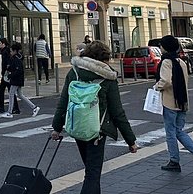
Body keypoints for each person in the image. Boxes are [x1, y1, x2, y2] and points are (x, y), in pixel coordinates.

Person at [52, 40, 137, 194]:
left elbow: (63, 102)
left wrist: (56, 128)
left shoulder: (74, 72)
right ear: (104, 59)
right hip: (97, 130)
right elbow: (117, 112)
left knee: (91, 169)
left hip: (77, 126)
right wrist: (130, 140)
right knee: (92, 173)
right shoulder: (108, 77)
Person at [155, 34, 193, 173]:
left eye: (161, 45)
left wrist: (156, 87)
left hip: (170, 102)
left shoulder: (166, 62)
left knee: (171, 133)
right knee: (179, 131)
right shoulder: (181, 61)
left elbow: (166, 81)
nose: (160, 48)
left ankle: (174, 161)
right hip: (182, 101)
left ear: (165, 47)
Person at [2, 42, 39, 119]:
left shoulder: (17, 59)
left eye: (11, 51)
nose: (10, 52)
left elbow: (18, 70)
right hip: (18, 79)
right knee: (20, 95)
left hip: (16, 79)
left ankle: (9, 112)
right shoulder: (17, 58)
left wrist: (10, 75)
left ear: (15, 51)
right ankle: (34, 107)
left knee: (11, 93)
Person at [0, 37, 11, 114]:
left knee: (7, 90)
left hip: (6, 74)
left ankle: (3, 106)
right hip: (6, 74)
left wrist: (5, 72)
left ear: (3, 44)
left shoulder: (5, 51)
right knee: (9, 90)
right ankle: (3, 106)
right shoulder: (5, 51)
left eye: (0, 43)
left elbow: (6, 63)